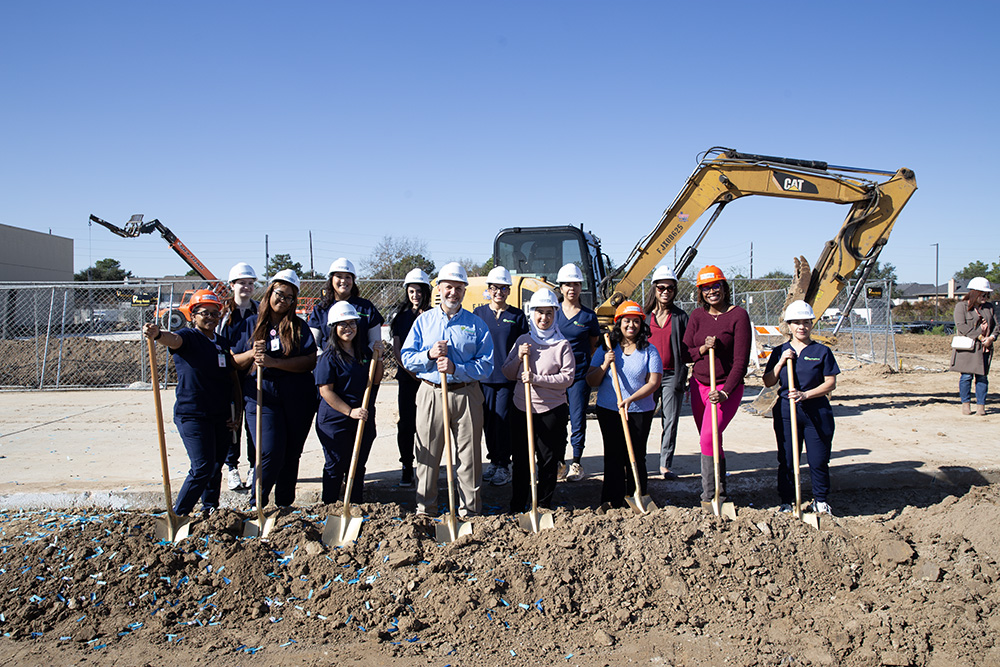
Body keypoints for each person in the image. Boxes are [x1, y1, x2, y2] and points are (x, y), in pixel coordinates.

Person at [400, 262, 494, 518]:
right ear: (439, 288)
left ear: (464, 290)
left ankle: (470, 512)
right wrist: (429, 354)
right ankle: (425, 510)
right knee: (428, 456)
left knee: (469, 458)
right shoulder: (424, 321)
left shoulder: (476, 325)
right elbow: (407, 357)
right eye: (448, 287)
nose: (453, 292)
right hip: (431, 393)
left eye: (458, 287)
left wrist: (456, 367)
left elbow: (486, 365)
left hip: (467, 394)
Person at [142, 290, 239, 518]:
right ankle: (178, 514)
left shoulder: (223, 343)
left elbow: (232, 379)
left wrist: (236, 413)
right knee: (202, 466)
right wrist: (157, 334)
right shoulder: (188, 337)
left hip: (220, 414)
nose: (211, 317)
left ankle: (210, 510)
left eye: (215, 313)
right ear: (193, 315)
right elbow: (172, 340)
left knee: (215, 466)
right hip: (193, 414)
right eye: (204, 313)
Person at [232, 270, 318, 509]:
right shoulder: (249, 324)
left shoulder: (299, 327)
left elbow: (309, 361)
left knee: (291, 454)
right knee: (270, 451)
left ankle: (284, 505)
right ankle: (257, 503)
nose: (284, 300)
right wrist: (252, 354)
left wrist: (274, 362)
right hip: (262, 396)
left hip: (296, 397)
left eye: (290, 297)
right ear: (270, 292)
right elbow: (233, 361)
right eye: (281, 294)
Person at [762, 301, 840, 515]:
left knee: (818, 459)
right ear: (789, 325)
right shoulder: (780, 351)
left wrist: (806, 394)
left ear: (811, 324)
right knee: (787, 458)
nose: (801, 327)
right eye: (796, 322)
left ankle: (821, 500)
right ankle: (788, 501)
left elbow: (830, 383)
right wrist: (779, 363)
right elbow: (768, 382)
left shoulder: (821, 351)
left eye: (805, 322)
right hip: (787, 412)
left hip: (816, 412)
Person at [682, 265, 751, 504]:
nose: (712, 291)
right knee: (712, 439)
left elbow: (741, 361)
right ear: (700, 292)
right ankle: (721, 491)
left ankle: (709, 495)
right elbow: (686, 352)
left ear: (724, 287)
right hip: (699, 385)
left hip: (725, 388)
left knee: (708, 437)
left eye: (716, 285)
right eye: (706, 288)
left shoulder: (738, 315)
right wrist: (703, 348)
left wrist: (725, 392)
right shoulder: (697, 317)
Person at [502, 289, 575, 513]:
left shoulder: (562, 345)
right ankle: (518, 504)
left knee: (547, 460)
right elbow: (508, 372)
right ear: (531, 314)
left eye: (548, 313)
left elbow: (567, 378)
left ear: (555, 315)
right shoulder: (523, 341)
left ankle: (543, 504)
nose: (544, 318)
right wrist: (519, 356)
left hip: (551, 411)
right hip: (521, 408)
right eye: (539, 313)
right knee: (522, 460)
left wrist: (537, 379)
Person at [587, 301, 662, 508]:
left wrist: (631, 399)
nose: (631, 325)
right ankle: (612, 499)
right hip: (609, 410)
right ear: (618, 323)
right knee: (613, 455)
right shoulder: (606, 348)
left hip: (639, 411)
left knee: (637, 455)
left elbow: (654, 382)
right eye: (627, 321)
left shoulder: (649, 350)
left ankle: (637, 494)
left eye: (636, 321)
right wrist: (604, 363)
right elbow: (591, 380)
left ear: (641, 324)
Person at [315, 302, 384, 504]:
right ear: (334, 328)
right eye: (342, 324)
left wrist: (378, 357)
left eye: (352, 323)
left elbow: (376, 379)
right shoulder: (328, 357)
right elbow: (325, 391)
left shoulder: (363, 352)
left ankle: (354, 506)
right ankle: (329, 507)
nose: (348, 328)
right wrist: (349, 411)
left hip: (362, 417)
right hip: (336, 420)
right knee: (336, 465)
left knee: (357, 465)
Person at [473, 266, 528, 488]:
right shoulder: (478, 314)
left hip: (507, 379)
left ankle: (504, 464)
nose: (499, 292)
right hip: (484, 377)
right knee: (488, 421)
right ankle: (494, 461)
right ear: (489, 289)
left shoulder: (517, 316)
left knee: (504, 421)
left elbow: (524, 344)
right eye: (495, 288)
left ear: (508, 290)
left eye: (503, 288)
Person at [643, 264, 690, 479]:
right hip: (647, 377)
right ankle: (639, 460)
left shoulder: (681, 317)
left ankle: (665, 464)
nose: (665, 291)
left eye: (670, 288)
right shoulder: (643, 318)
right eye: (661, 287)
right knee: (641, 419)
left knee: (669, 420)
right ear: (654, 288)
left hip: (672, 375)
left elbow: (689, 348)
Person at [555, 263, 600, 482]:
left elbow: (592, 345)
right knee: (557, 420)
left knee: (578, 419)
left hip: (579, 377)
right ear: (561, 288)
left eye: (575, 284)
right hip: (556, 378)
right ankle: (559, 462)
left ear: (580, 287)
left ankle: (576, 463)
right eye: (567, 284)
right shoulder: (553, 314)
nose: (571, 288)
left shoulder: (588, 317)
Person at [218, 262, 259, 491]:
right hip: (229, 373)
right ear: (232, 285)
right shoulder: (224, 313)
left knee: (253, 423)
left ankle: (254, 466)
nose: (246, 287)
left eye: (250, 283)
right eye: (242, 283)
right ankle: (232, 467)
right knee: (232, 422)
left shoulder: (259, 310)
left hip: (252, 374)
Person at [390, 268, 432, 487]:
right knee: (407, 424)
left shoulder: (434, 315)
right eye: (411, 291)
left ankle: (427, 467)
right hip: (408, 379)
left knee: (429, 426)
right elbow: (397, 349)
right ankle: (407, 464)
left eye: (419, 291)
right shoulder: (401, 317)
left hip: (429, 379)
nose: (415, 295)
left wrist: (424, 373)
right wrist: (410, 371)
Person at [308, 257, 385, 354]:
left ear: (353, 280)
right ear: (331, 279)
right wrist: (324, 362)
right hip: (329, 365)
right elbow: (313, 343)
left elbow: (375, 342)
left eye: (348, 277)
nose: (343, 281)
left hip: (361, 365)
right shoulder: (321, 309)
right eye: (339, 276)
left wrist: (362, 361)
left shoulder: (366, 307)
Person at [950, 277, 996, 415]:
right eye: (983, 294)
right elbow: (962, 326)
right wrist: (980, 336)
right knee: (966, 377)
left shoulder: (989, 307)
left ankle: (981, 406)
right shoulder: (961, 307)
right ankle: (966, 404)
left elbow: (996, 326)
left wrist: (992, 338)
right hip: (969, 349)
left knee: (982, 377)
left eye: (987, 295)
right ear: (975, 293)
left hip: (984, 349)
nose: (986, 297)